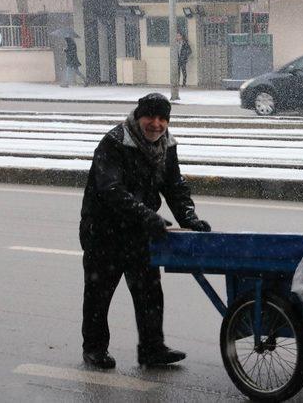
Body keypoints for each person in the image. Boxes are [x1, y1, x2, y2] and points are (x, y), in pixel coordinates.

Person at [79, 93, 211, 369]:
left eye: (163, 118)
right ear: (138, 118)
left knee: (149, 292)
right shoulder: (114, 143)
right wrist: (147, 215)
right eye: (150, 117)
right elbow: (110, 190)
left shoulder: (166, 145)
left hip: (139, 230)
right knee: (99, 293)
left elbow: (174, 185)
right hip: (104, 230)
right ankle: (94, 348)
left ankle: (152, 349)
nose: (157, 124)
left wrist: (189, 217)